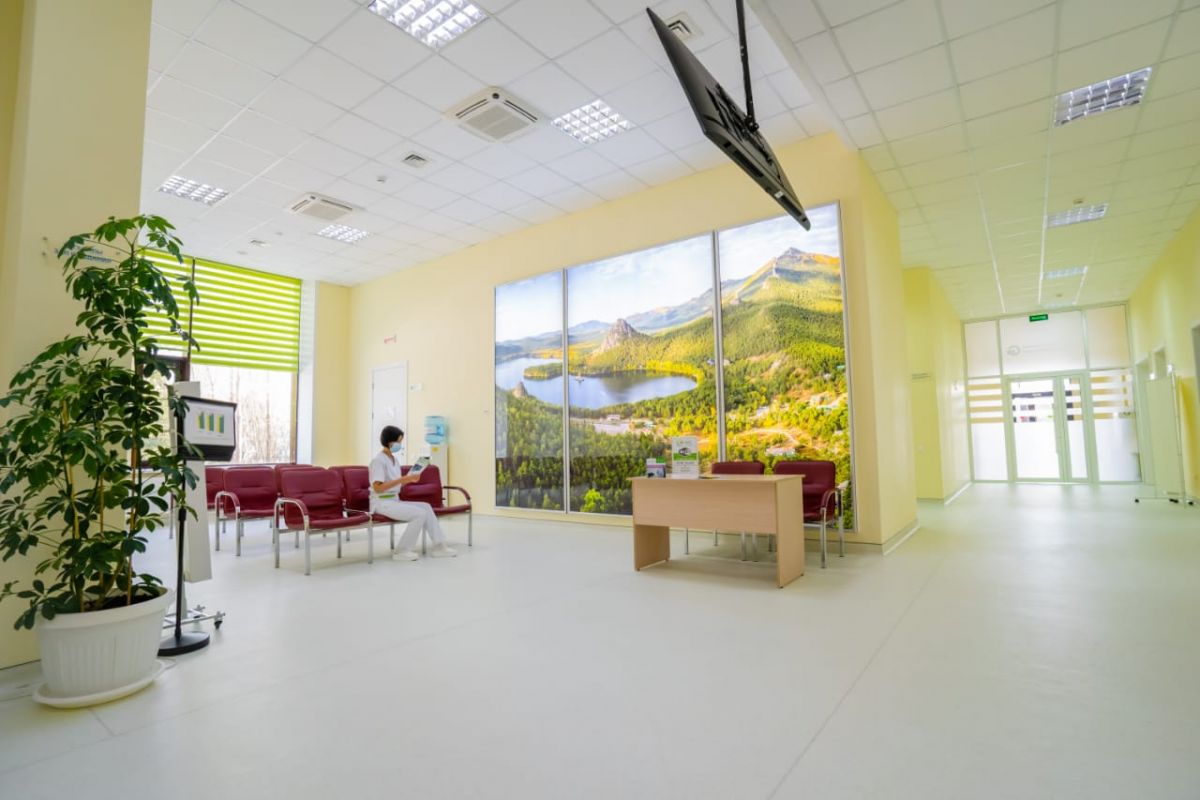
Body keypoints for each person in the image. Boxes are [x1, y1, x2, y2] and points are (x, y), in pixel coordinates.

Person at [369, 425, 456, 561]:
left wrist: (410, 479)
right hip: (382, 502)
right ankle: (402, 551)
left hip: (394, 500)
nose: (400, 445)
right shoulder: (378, 461)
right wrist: (403, 479)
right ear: (390, 441)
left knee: (426, 507)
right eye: (399, 441)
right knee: (419, 514)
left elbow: (395, 484)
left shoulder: (394, 460)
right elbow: (378, 488)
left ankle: (439, 547)